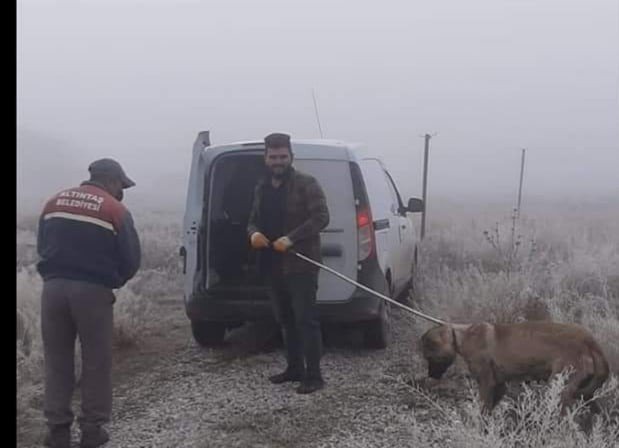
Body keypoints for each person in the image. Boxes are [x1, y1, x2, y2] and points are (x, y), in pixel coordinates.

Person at [36, 158, 141, 448]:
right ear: (111, 181)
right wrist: (113, 280)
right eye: (122, 186)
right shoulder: (115, 209)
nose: (122, 192)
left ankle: (57, 431)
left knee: (57, 361)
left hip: (53, 290)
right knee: (96, 361)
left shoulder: (54, 202)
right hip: (92, 292)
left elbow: (42, 245)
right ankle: (92, 431)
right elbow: (131, 259)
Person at [247, 132, 330, 394]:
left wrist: (291, 238)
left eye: (283, 156)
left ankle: (314, 376)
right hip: (271, 264)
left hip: (300, 265)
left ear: (291, 157)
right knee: (285, 319)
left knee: (306, 320)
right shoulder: (261, 187)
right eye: (273, 157)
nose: (278, 161)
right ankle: (294, 368)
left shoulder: (307, 183)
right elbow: (251, 220)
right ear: (266, 158)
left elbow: (321, 218)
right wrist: (253, 234)